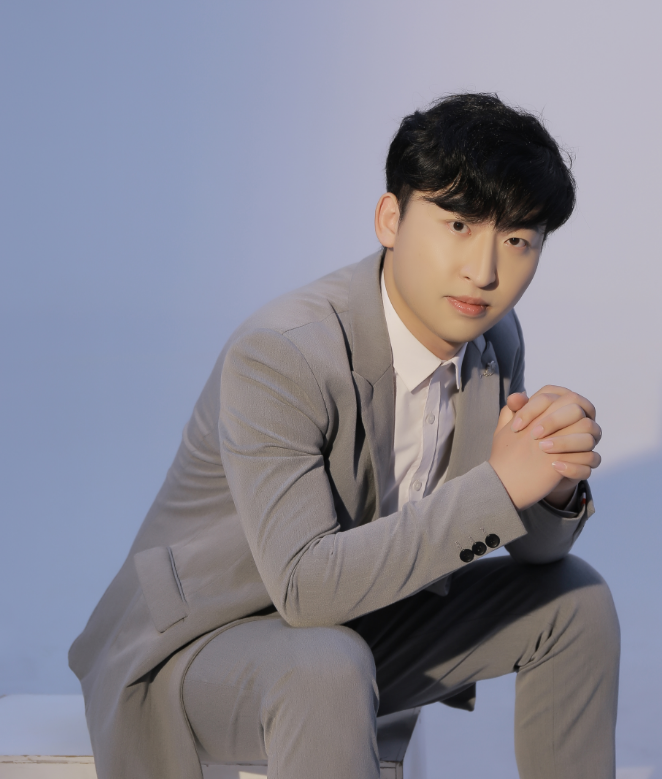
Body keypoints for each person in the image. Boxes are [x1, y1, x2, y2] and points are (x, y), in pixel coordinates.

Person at [69, 93, 620, 779]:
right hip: (197, 643)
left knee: (576, 599)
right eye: (457, 224)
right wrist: (500, 486)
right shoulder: (283, 352)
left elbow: (531, 548)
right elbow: (304, 587)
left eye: (517, 241)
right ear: (391, 218)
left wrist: (552, 484)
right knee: (327, 664)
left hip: (354, 624)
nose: (484, 271)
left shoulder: (494, 337)